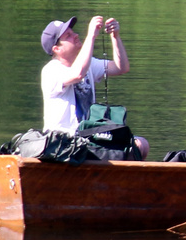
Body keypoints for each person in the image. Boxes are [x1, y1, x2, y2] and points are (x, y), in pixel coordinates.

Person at [40, 15, 148, 158]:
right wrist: (91, 36)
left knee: (141, 144)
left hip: (88, 137)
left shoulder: (89, 64)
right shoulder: (51, 71)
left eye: (73, 32)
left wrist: (115, 37)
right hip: (62, 142)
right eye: (68, 36)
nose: (76, 35)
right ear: (57, 49)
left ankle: (121, 180)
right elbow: (78, 73)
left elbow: (121, 67)